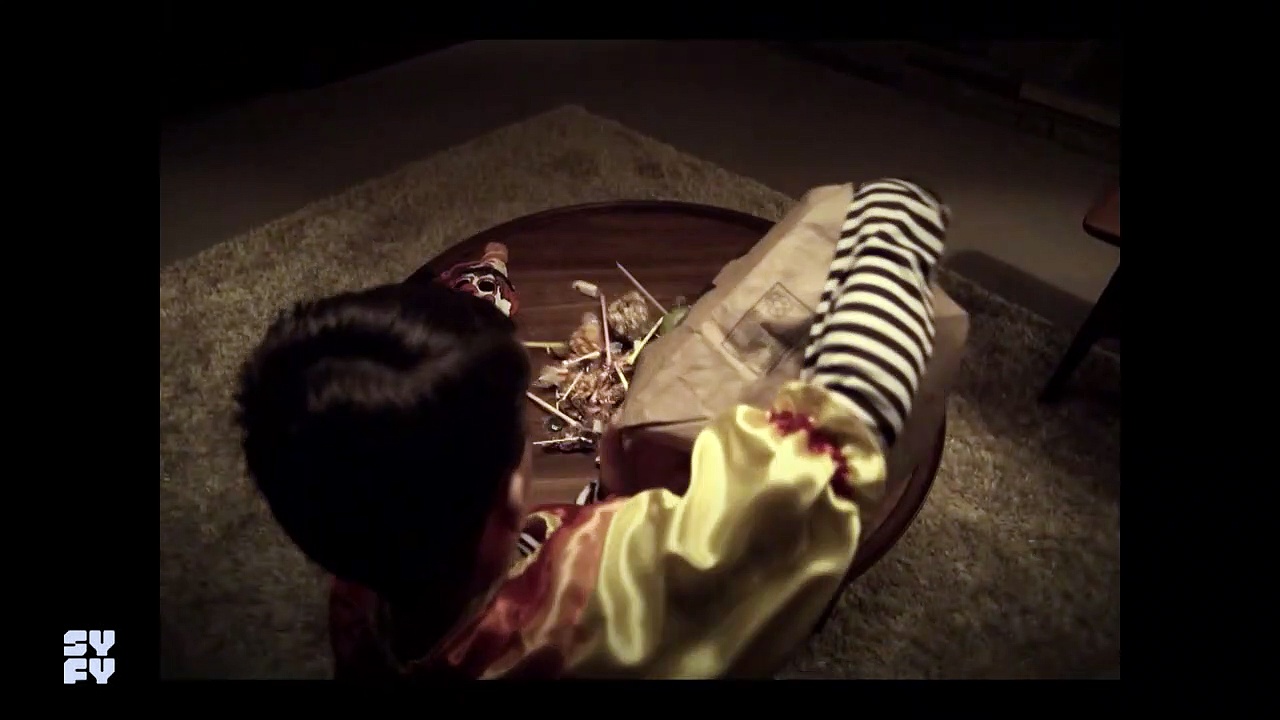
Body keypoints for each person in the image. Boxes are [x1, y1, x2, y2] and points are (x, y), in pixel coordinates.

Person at [235, 179, 949, 679]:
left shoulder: (358, 579)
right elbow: (826, 454)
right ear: (503, 504)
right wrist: (891, 232)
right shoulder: (602, 599)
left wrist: (479, 300)